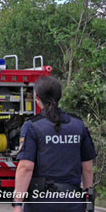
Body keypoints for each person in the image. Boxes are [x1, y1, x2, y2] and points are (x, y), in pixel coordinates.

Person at [12, 76, 96, 212]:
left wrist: (17, 204)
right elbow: (88, 168)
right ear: (60, 96)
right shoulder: (78, 125)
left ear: (37, 98)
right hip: (72, 201)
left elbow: (26, 167)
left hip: (41, 202)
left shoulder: (32, 126)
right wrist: (89, 201)